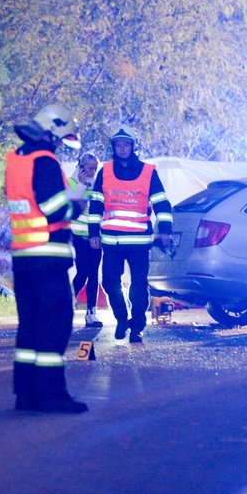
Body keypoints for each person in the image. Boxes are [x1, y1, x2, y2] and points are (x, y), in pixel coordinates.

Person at [6, 104, 88, 413]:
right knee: (54, 327)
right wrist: (77, 208)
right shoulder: (46, 162)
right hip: (48, 257)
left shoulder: (18, 160)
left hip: (24, 256)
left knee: (29, 327)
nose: (59, 146)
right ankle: (52, 395)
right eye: (59, 139)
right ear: (52, 133)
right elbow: (56, 210)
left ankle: (26, 394)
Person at [88, 127, 172, 343]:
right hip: (111, 241)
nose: (122, 148)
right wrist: (92, 234)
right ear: (114, 148)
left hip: (139, 242)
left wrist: (164, 231)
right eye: (118, 145)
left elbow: (162, 203)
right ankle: (121, 318)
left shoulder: (148, 171)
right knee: (109, 282)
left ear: (133, 147)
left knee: (138, 286)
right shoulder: (104, 171)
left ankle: (137, 327)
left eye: (126, 144)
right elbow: (96, 203)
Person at [69, 152, 103, 327]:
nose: (93, 172)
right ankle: (66, 306)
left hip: (96, 236)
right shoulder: (71, 182)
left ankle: (92, 313)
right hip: (78, 237)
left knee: (94, 274)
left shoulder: (98, 184)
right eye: (90, 168)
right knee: (83, 272)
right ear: (81, 167)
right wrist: (82, 184)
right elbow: (71, 206)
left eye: (95, 169)